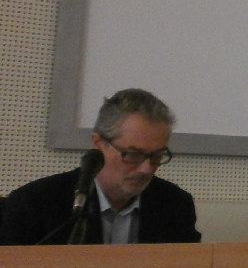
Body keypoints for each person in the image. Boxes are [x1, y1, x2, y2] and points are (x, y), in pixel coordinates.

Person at [0, 88, 201, 245]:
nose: (146, 169)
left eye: (156, 156)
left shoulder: (175, 205)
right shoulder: (35, 204)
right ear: (98, 143)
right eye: (133, 154)